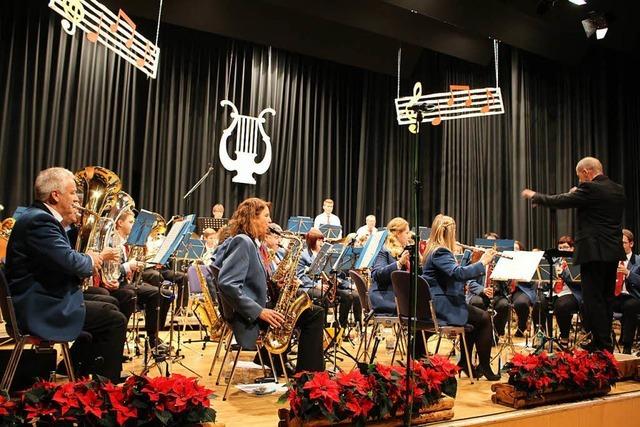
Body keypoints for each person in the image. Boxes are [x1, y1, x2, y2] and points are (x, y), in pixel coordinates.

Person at [4, 167, 127, 382]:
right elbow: (73, 263)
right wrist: (93, 258)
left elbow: (61, 260)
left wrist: (85, 255)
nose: (77, 199)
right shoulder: (40, 221)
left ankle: (80, 374)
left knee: (109, 302)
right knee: (113, 318)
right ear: (55, 195)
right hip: (39, 308)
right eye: (72, 193)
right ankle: (105, 392)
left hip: (43, 296)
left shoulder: (39, 218)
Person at [522, 156, 626, 352]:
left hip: (593, 251)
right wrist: (579, 193)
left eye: (580, 177)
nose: (579, 181)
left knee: (592, 299)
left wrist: (536, 196)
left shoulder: (590, 188)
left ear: (586, 172)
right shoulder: (617, 189)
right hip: (612, 251)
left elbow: (562, 201)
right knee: (606, 298)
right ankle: (602, 341)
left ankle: (602, 345)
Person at [213, 198, 324, 373]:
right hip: (250, 317)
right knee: (314, 314)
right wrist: (260, 311)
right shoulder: (243, 242)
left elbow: (252, 280)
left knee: (311, 310)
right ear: (252, 218)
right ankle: (309, 375)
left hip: (258, 308)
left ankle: (280, 363)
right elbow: (227, 284)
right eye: (266, 216)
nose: (270, 221)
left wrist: (276, 284)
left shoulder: (253, 242)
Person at [421, 214, 500, 380]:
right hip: (443, 306)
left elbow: (452, 275)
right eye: (454, 230)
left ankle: (465, 361)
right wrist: (482, 262)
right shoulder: (441, 251)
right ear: (449, 232)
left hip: (437, 302)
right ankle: (485, 367)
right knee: (484, 318)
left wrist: (471, 263)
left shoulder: (431, 250)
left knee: (475, 318)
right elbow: (457, 274)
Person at [108, 209, 171, 349]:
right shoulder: (112, 240)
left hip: (127, 283)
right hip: (117, 284)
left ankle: (153, 337)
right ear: (119, 223)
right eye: (131, 222)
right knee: (151, 292)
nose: (134, 225)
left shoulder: (127, 242)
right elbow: (110, 269)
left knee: (164, 293)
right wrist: (128, 266)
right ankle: (118, 340)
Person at [533, 236, 583, 347]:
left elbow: (578, 280)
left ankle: (564, 336)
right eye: (560, 247)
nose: (562, 250)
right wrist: (548, 278)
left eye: (565, 247)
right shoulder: (554, 260)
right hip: (554, 292)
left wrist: (563, 273)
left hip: (571, 292)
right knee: (539, 304)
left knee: (562, 305)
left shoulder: (577, 261)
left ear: (572, 249)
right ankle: (541, 335)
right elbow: (546, 277)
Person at [369, 217, 411, 315]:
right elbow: (377, 274)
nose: (409, 236)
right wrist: (399, 263)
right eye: (407, 233)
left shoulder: (404, 251)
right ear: (398, 233)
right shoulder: (384, 250)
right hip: (385, 297)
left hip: (399, 296)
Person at [612, 229, 640, 354]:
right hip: (614, 296)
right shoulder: (611, 260)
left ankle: (627, 346)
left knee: (630, 306)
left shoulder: (638, 260)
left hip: (632, 296)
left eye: (623, 243)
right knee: (596, 302)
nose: (620, 246)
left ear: (631, 244)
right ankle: (603, 342)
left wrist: (628, 273)